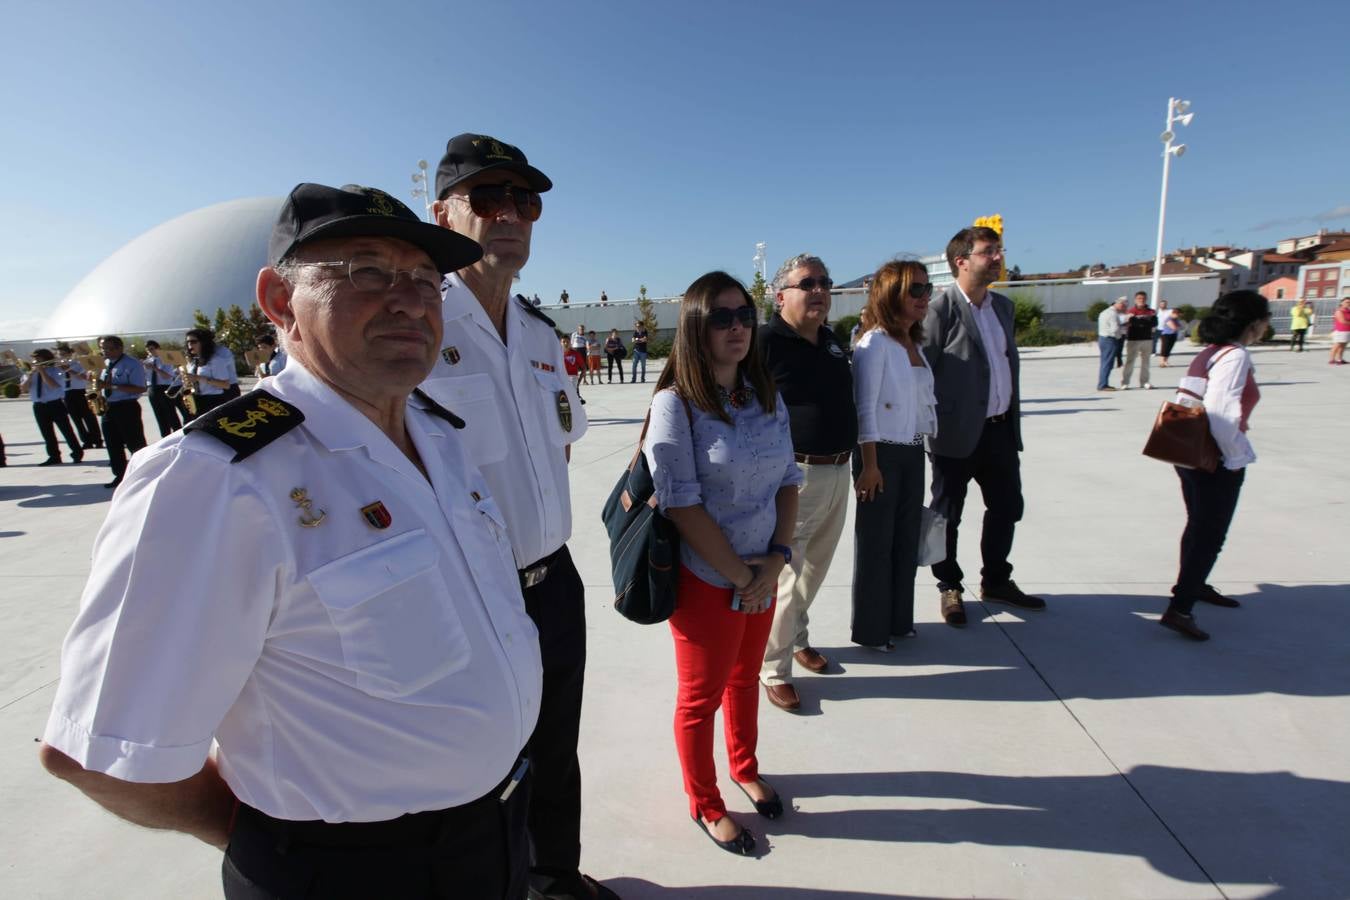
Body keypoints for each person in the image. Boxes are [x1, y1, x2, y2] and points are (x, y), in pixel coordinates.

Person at [38, 182, 543, 899]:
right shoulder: (217, 481)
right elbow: (102, 753)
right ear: (279, 301)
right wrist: (278, 848)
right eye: (367, 271)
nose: (408, 300)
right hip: (353, 874)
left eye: (426, 281)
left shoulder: (435, 436)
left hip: (492, 836)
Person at [420, 134, 607, 900]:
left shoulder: (536, 332)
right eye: (486, 198)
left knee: (556, 751)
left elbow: (556, 453)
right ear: (442, 213)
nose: (509, 215)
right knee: (482, 767)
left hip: (553, 578)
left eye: (523, 201)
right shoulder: (418, 327)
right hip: (472, 590)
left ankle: (555, 880)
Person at [644, 270, 801, 856]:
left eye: (744, 316)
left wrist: (776, 560)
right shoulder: (674, 405)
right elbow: (682, 504)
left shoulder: (766, 395)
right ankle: (705, 803)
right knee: (701, 696)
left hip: (761, 570)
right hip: (707, 578)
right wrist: (743, 578)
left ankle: (744, 766)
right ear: (694, 325)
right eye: (721, 317)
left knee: (744, 679)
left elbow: (789, 480)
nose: (737, 327)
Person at [922, 226, 1045, 626]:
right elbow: (922, 373)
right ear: (962, 261)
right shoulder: (939, 311)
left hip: (999, 430)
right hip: (955, 435)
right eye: (988, 251)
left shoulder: (1003, 308)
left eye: (998, 250)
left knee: (1007, 507)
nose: (997, 257)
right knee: (947, 515)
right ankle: (949, 586)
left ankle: (996, 579)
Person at [757, 253, 855, 712]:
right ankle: (773, 668)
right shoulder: (766, 342)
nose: (819, 290)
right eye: (807, 283)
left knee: (815, 568)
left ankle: (797, 637)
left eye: (824, 282)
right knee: (788, 576)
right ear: (781, 296)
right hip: (795, 475)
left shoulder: (832, 342)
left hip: (839, 469)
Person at [1160, 290, 1271, 641]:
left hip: (1189, 454)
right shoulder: (1234, 355)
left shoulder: (1208, 353)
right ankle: (1181, 608)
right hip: (1215, 458)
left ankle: (1193, 586)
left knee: (1198, 527)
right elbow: (1222, 414)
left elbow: (1187, 399)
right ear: (1254, 323)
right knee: (1210, 535)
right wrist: (1235, 457)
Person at [852, 260, 937, 651]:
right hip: (880, 454)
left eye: (926, 288)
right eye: (914, 290)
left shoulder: (914, 343)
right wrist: (869, 465)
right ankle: (871, 630)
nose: (924, 297)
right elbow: (864, 407)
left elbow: (922, 405)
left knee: (906, 541)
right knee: (876, 546)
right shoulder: (875, 344)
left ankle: (899, 620)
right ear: (891, 294)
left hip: (912, 450)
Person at [95, 335, 148, 490]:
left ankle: (144, 474)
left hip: (127, 407)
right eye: (103, 348)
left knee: (135, 443)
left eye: (109, 348)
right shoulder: (104, 364)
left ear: (120, 348)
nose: (105, 351)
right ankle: (120, 475)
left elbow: (141, 388)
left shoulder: (132, 364)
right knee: (112, 444)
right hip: (109, 407)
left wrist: (112, 387)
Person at [22, 349, 83, 466]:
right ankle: (54, 456)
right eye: (34, 359)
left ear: (45, 358)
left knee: (66, 431)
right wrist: (30, 376)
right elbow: (23, 389)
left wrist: (42, 372)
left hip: (55, 404)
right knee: (47, 433)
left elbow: (53, 385)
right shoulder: (30, 372)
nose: (35, 361)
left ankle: (76, 453)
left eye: (38, 358)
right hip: (39, 406)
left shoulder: (56, 370)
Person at [55, 344, 101, 449]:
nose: (62, 357)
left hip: (80, 392)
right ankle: (86, 441)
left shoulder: (79, 364)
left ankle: (97, 439)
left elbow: (84, 377)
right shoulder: (57, 367)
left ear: (70, 354)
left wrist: (68, 369)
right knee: (76, 419)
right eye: (60, 355)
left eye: (64, 354)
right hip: (67, 393)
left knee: (89, 417)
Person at [182, 329, 237, 414]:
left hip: (214, 400)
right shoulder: (193, 361)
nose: (190, 345)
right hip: (198, 399)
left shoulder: (216, 360)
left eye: (193, 342)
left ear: (203, 342)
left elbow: (226, 385)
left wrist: (198, 378)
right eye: (188, 342)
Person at [142, 340, 183, 437]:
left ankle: (178, 434)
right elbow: (144, 377)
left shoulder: (166, 358)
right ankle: (165, 436)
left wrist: (154, 368)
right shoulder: (148, 361)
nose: (150, 352)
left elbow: (167, 376)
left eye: (152, 349)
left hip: (164, 387)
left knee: (170, 413)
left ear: (158, 348)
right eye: (148, 350)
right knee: (159, 415)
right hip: (152, 388)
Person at [1121, 291, 1157, 389]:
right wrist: (1143, 321)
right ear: (1135, 300)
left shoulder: (1151, 311)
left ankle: (1144, 381)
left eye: (1143, 298)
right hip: (1133, 339)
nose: (1141, 300)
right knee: (1130, 361)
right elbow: (1130, 322)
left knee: (1146, 362)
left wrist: (1138, 321)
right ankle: (1125, 382)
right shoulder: (1131, 311)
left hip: (1147, 339)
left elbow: (1153, 323)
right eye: (1139, 298)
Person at [1097, 298, 1127, 391]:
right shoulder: (1113, 314)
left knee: (1104, 363)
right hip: (1109, 339)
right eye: (1124, 306)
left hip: (1102, 338)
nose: (1124, 308)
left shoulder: (1104, 312)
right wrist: (1121, 333)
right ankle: (1103, 385)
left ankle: (1103, 383)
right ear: (1120, 304)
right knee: (1107, 363)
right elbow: (1114, 329)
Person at [561, 337, 585, 404]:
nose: (565, 343)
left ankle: (575, 400)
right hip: (561, 377)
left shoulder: (575, 354)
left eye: (567, 342)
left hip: (572, 377)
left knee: (571, 394)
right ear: (560, 343)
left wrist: (579, 381)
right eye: (563, 342)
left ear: (570, 343)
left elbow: (584, 368)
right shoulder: (557, 354)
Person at [1329, 297, 1350, 365]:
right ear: (1342, 303)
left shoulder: (1348, 311)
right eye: (1347, 302)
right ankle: (1332, 359)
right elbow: (1342, 321)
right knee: (1337, 346)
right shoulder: (1339, 311)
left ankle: (1339, 359)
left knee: (1343, 346)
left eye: (1349, 302)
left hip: (1347, 331)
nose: (1348, 303)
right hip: (1340, 331)